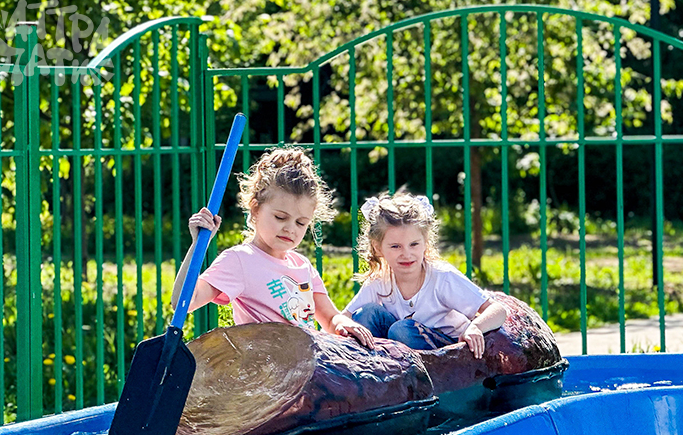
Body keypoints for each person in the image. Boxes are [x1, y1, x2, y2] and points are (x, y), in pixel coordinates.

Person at [171, 147, 375, 348]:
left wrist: (343, 323)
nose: (290, 229)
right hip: (269, 365)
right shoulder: (240, 260)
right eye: (280, 217)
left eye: (301, 223)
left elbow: (330, 319)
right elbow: (184, 302)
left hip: (308, 360)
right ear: (255, 209)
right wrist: (198, 245)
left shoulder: (302, 265)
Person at [343, 192, 506, 358]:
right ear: (378, 248)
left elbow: (497, 310)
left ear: (425, 243)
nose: (406, 254)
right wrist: (344, 326)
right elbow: (345, 318)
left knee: (401, 331)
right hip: (403, 344)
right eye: (395, 246)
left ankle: (418, 372)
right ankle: (375, 363)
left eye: (414, 244)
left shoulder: (442, 277)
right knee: (365, 314)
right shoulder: (380, 279)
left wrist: (476, 327)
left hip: (448, 350)